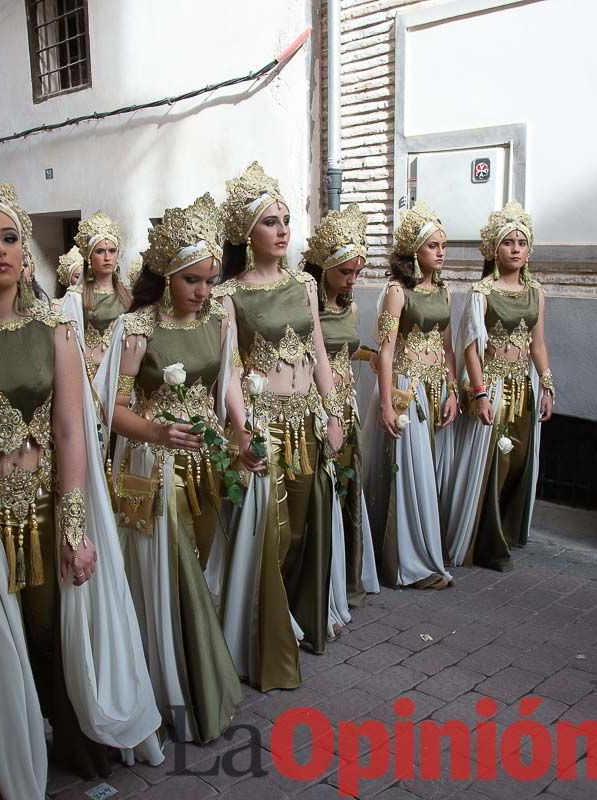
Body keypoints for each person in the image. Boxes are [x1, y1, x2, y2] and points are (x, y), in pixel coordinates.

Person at [0, 164, 161, 796]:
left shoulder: (56, 329)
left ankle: (72, 745)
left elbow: (73, 432)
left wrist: (75, 528)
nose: (1, 250)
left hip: (45, 512)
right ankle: (9, 768)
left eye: (10, 237)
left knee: (55, 641)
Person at [97, 193, 244, 744]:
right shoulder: (136, 329)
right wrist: (157, 432)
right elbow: (112, 409)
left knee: (199, 566)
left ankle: (188, 667)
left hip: (205, 460)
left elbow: (225, 383)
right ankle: (184, 690)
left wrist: (240, 433)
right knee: (170, 569)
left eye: (209, 280)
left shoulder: (218, 323)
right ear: (167, 276)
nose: (204, 291)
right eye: (192, 281)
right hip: (154, 464)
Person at [207, 161, 344, 689]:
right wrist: (242, 431)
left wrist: (333, 413)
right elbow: (232, 371)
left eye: (286, 219)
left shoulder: (305, 284)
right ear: (248, 232)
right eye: (271, 221)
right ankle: (266, 630)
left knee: (305, 525)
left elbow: (320, 355)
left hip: (306, 421)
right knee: (270, 529)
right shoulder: (229, 296)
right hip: (265, 425)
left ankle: (294, 618)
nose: (283, 229)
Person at [448, 201, 554, 570]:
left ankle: (506, 531)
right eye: (508, 242)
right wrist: (478, 393)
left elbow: (538, 344)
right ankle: (486, 539)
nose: (515, 249)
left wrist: (548, 386)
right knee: (496, 461)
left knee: (521, 460)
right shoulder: (482, 293)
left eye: (521, 243)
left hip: (524, 386)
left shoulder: (536, 292)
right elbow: (471, 349)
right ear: (495, 249)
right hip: (492, 385)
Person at [362, 201, 457, 590]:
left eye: (442, 245)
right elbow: (385, 350)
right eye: (432, 246)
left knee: (429, 474)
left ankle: (427, 548)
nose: (440, 252)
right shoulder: (397, 292)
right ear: (414, 251)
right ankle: (409, 562)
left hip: (437, 388)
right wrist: (386, 403)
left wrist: (453, 391)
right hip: (408, 389)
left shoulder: (446, 291)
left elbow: (449, 347)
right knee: (410, 475)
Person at [301, 204, 380, 628]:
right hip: (317, 407)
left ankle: (348, 576)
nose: (352, 280)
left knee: (349, 488)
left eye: (356, 272)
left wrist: (367, 355)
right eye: (345, 272)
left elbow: (348, 350)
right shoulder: (307, 304)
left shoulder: (349, 309)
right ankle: (320, 579)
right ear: (325, 267)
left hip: (347, 405)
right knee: (323, 488)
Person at [73, 212, 131, 382]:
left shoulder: (129, 295)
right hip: (90, 371)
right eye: (100, 251)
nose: (107, 257)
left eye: (112, 251)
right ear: (89, 257)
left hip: (123, 368)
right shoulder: (77, 296)